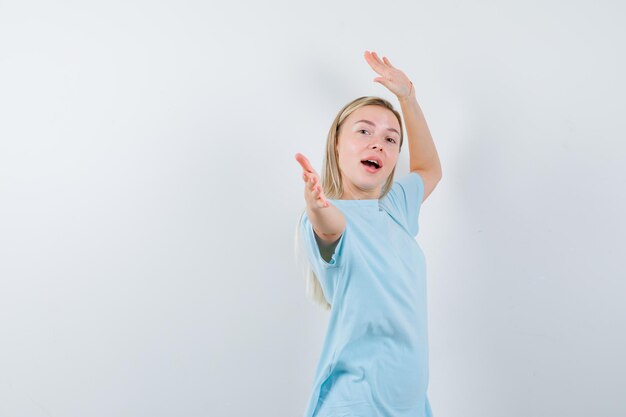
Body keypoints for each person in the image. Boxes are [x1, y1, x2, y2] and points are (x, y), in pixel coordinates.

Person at [294, 50, 442, 417]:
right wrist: (316, 206)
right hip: (357, 405)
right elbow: (330, 230)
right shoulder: (333, 215)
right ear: (337, 144)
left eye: (392, 140)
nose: (379, 143)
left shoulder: (395, 210)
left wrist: (408, 98)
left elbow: (428, 168)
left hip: (410, 405)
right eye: (364, 131)